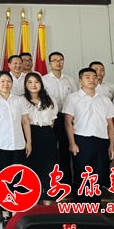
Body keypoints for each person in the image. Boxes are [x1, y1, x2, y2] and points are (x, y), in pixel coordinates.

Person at [64, 68, 114, 203]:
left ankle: (95, 207)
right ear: (80, 80)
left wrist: (111, 146)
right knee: (82, 174)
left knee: (99, 174)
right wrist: (72, 143)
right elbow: (68, 122)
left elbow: (110, 124)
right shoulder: (73, 98)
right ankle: (81, 208)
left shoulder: (105, 100)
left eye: (94, 77)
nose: (92, 79)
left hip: (102, 140)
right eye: (87, 77)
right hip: (82, 140)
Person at [0, 71, 31, 228]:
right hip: (0, 145)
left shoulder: (19, 100)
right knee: (2, 181)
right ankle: (5, 213)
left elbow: (25, 122)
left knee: (19, 181)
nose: (6, 84)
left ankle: (15, 213)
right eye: (2, 81)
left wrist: (29, 142)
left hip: (19, 145)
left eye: (8, 81)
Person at [42, 51, 77, 186]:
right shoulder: (44, 80)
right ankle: (52, 181)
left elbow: (75, 98)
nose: (58, 63)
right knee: (51, 149)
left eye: (60, 60)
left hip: (66, 117)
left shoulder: (69, 80)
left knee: (65, 148)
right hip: (50, 119)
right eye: (55, 60)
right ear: (49, 63)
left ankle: (66, 180)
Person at [23, 72, 58, 205]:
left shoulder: (50, 100)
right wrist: (29, 141)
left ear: (41, 84)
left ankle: (47, 202)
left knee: (49, 167)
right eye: (30, 82)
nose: (33, 85)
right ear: (25, 85)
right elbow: (24, 121)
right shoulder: (22, 100)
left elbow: (52, 121)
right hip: (30, 134)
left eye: (36, 82)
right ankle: (33, 201)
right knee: (32, 167)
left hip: (47, 135)